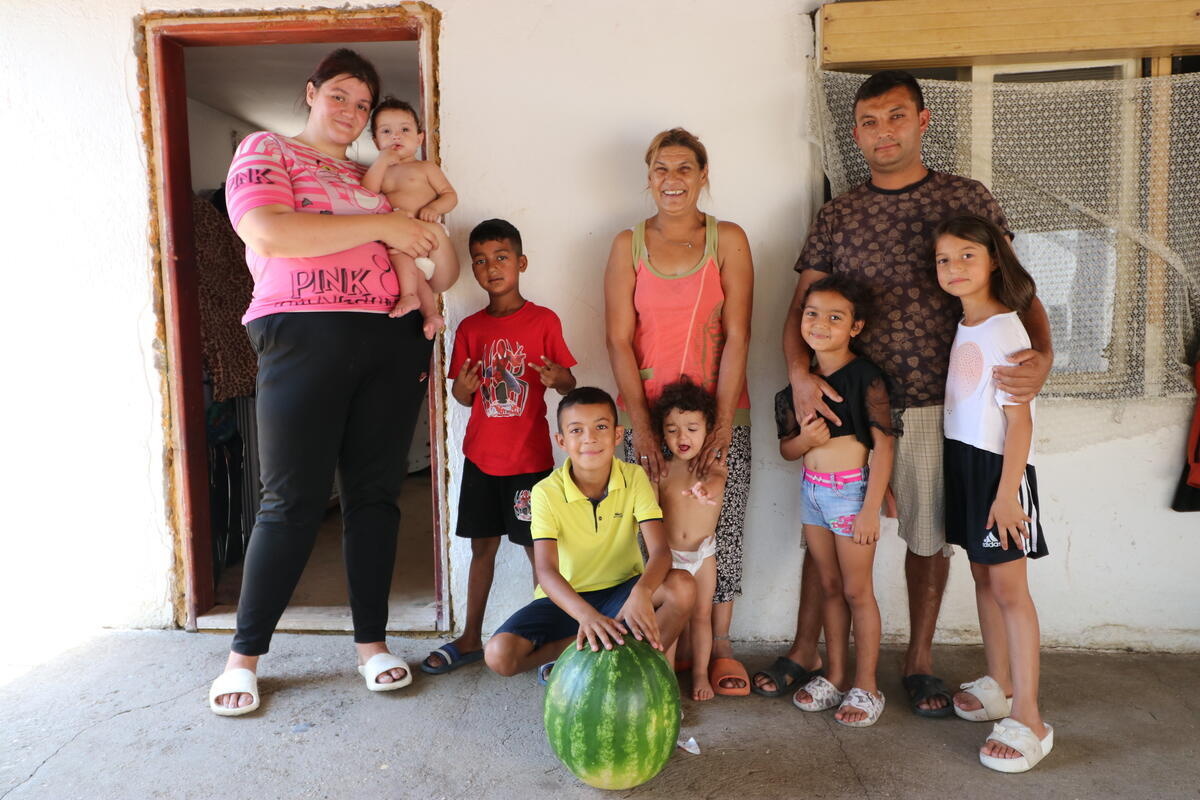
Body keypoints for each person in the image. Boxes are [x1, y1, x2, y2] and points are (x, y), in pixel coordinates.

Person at [765, 70, 1054, 715]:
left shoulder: (963, 198)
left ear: (923, 121)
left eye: (896, 117)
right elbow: (798, 307)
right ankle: (815, 651)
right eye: (869, 121)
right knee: (832, 527)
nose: (883, 132)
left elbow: (1017, 286)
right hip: (849, 402)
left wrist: (1044, 359)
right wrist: (800, 375)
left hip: (935, 402)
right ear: (856, 133)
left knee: (928, 538)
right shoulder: (839, 213)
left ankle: (918, 660)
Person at [208, 49, 456, 716]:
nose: (350, 112)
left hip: (389, 338)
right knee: (289, 499)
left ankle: (372, 647)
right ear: (311, 92)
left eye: (363, 105)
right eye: (340, 96)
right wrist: (384, 223)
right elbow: (268, 230)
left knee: (375, 497)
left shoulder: (370, 177)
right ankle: (243, 658)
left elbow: (429, 257)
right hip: (301, 333)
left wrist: (419, 242)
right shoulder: (268, 150)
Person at [604, 128, 754, 695]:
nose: (673, 180)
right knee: (647, 535)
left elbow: (739, 335)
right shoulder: (628, 245)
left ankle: (719, 649)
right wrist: (641, 427)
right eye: (661, 169)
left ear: (703, 176)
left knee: (722, 529)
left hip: (718, 414)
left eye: (685, 169)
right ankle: (651, 640)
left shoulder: (728, 240)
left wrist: (719, 423)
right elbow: (619, 340)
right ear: (648, 178)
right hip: (649, 420)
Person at [421, 219, 577, 675]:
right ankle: (471, 636)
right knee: (481, 549)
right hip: (482, 461)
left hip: (530, 463)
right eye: (481, 261)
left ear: (521, 263)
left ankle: (547, 640)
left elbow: (568, 382)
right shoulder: (470, 327)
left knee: (538, 553)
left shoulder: (544, 320)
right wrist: (464, 390)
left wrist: (558, 380)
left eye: (501, 258)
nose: (491, 268)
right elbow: (461, 394)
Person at [935, 215, 1052, 771]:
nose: (954, 268)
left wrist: (1007, 496)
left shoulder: (1006, 328)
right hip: (964, 462)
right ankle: (999, 683)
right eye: (944, 259)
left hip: (996, 472)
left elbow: (1020, 424)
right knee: (983, 576)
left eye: (967, 257)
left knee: (1010, 589)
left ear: (993, 262)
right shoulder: (967, 323)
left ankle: (1029, 715)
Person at [483, 387, 696, 680]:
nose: (590, 438)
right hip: (565, 601)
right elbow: (546, 571)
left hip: (623, 593)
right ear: (561, 441)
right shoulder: (546, 492)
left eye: (601, 427)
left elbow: (660, 552)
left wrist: (642, 592)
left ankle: (638, 678)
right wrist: (587, 616)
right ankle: (578, 652)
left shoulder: (634, 478)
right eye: (576, 430)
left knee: (683, 586)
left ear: (617, 435)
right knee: (499, 655)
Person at [776, 274, 895, 727]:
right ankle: (835, 674)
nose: (820, 324)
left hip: (851, 494)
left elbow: (884, 446)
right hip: (812, 493)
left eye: (834, 317)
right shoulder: (797, 384)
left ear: (855, 327)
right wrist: (804, 440)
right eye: (812, 314)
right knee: (828, 586)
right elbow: (786, 450)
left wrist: (871, 508)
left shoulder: (866, 377)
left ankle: (867, 685)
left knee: (856, 591)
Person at [652, 379, 727, 701]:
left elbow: (716, 483)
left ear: (708, 430)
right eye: (672, 429)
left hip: (702, 555)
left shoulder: (712, 467)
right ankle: (666, 679)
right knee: (673, 619)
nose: (682, 438)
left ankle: (700, 674)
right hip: (669, 557)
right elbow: (649, 511)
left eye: (692, 428)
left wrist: (704, 490)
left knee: (701, 616)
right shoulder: (662, 470)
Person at [362, 97, 458, 339]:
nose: (396, 136)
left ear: (419, 138)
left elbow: (450, 196)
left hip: (426, 233)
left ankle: (409, 296)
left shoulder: (426, 168)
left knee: (402, 259)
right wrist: (381, 162)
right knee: (415, 276)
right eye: (386, 131)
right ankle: (430, 314)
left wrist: (436, 208)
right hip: (400, 240)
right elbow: (367, 192)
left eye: (405, 130)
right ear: (376, 142)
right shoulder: (379, 172)